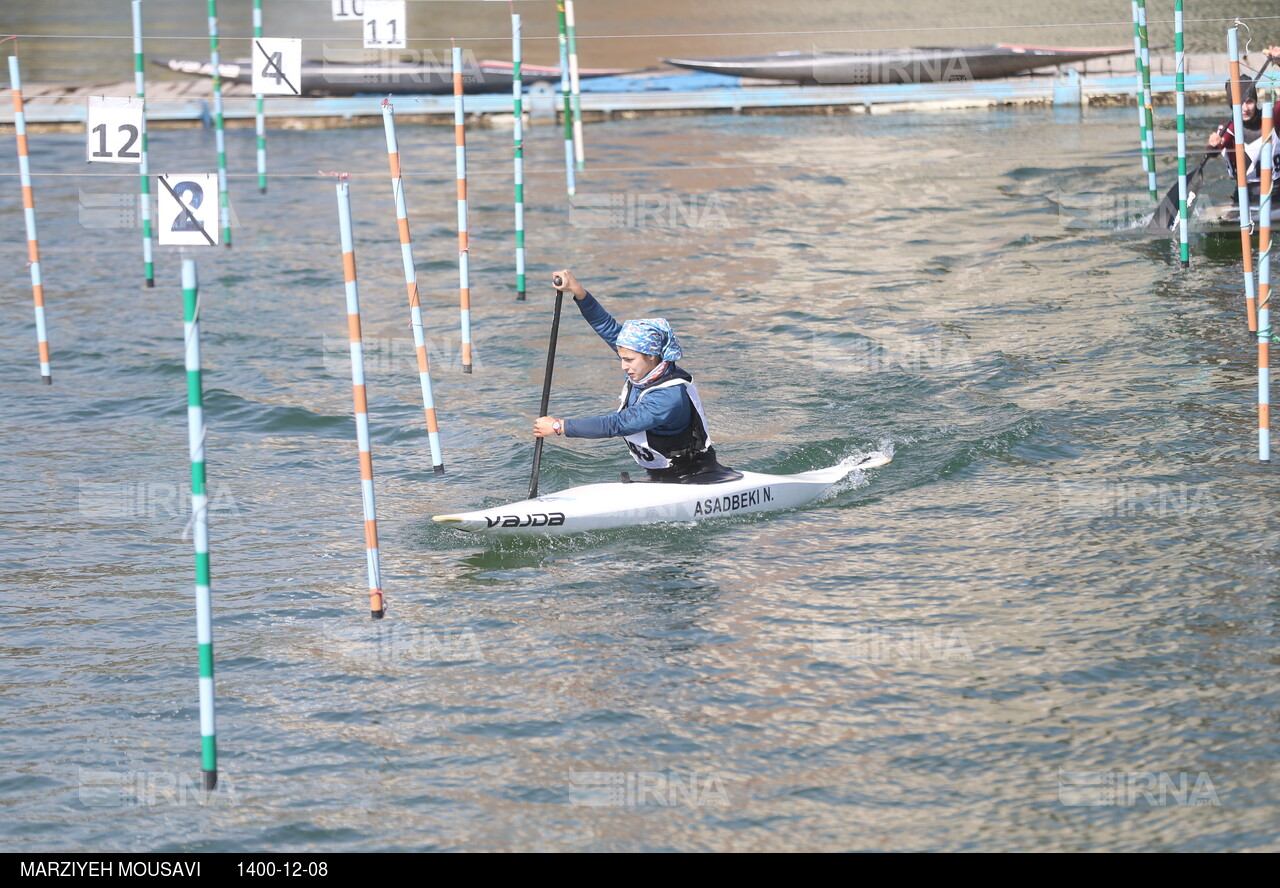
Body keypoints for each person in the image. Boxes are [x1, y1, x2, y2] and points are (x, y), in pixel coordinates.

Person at [533, 269, 739, 484]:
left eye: (628, 360)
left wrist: (558, 426)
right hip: (661, 473)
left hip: (695, 476)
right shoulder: (643, 362)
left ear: (651, 356)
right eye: (622, 357)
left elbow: (618, 424)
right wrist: (577, 290)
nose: (623, 366)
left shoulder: (669, 397)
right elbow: (605, 325)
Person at [1207, 45, 1280, 200]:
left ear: (1256, 101)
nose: (1245, 108)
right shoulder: (1228, 129)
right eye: (1239, 104)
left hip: (1277, 189)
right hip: (1245, 194)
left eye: (1250, 102)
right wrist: (1213, 144)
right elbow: (1212, 152)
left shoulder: (1272, 116)